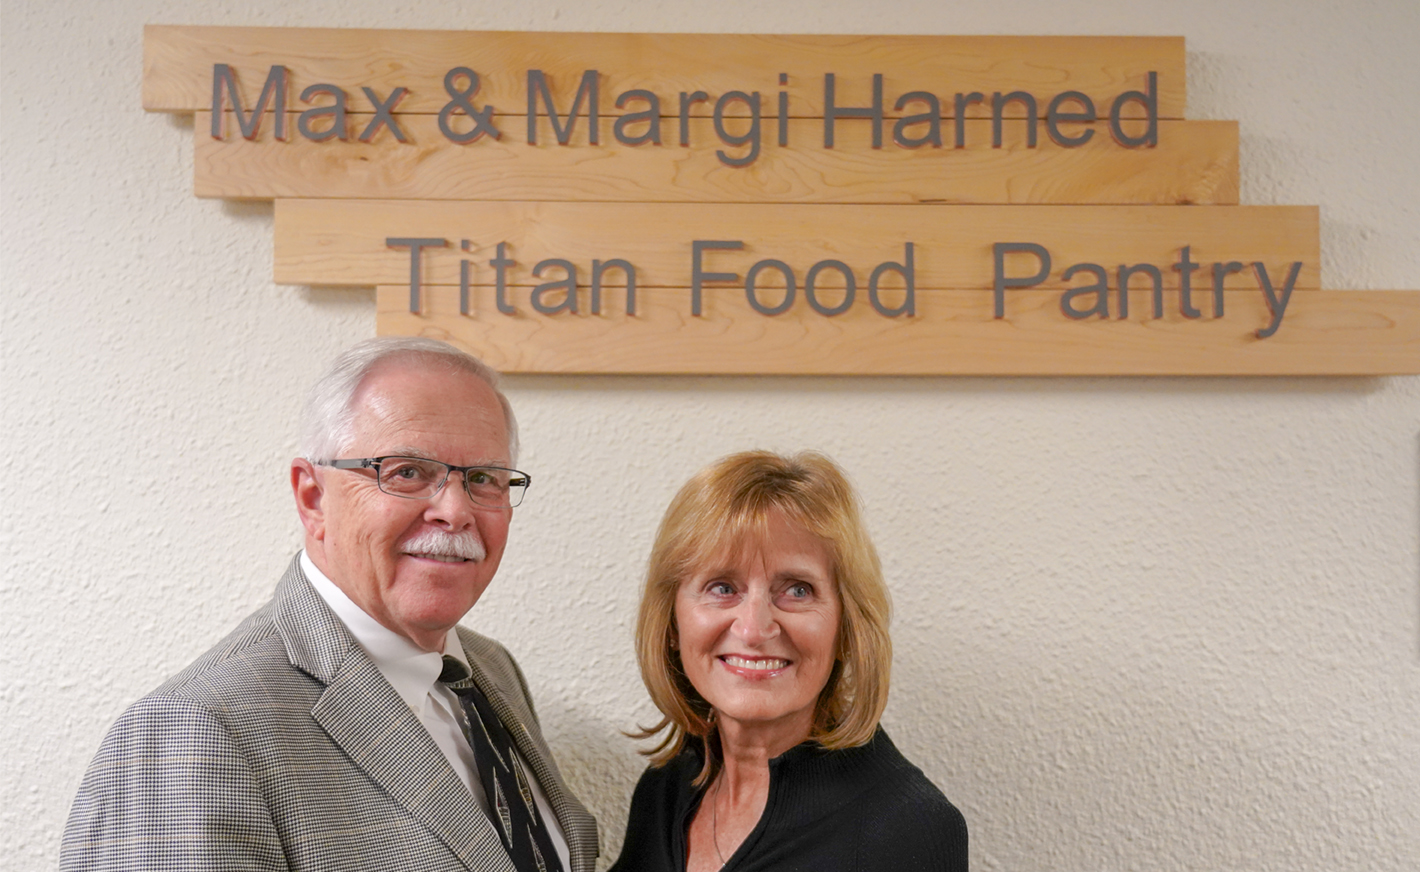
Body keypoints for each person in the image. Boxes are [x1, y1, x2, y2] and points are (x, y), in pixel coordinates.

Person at [61, 337, 598, 871]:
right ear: (313, 497)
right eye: (407, 471)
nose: (455, 511)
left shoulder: (490, 671)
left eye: (483, 478)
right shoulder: (194, 730)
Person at [610, 450, 967, 872]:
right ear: (672, 623)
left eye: (797, 590)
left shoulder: (906, 829)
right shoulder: (668, 786)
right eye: (723, 587)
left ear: (846, 628)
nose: (755, 629)